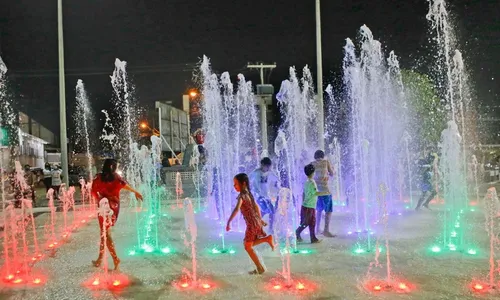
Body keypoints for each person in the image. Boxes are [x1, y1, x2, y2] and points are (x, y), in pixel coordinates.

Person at [91, 159, 143, 271]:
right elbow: (125, 186)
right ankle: (100, 259)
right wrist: (136, 192)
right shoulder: (116, 178)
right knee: (104, 233)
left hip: (103, 206)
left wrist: (99, 199)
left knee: (105, 233)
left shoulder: (98, 178)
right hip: (114, 206)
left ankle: (115, 258)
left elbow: (93, 191)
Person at [226, 173, 274, 275]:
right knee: (248, 244)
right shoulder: (249, 194)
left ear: (243, 184)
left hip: (252, 224)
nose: (234, 186)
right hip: (255, 222)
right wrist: (260, 220)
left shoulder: (242, 196)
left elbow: (237, 209)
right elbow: (256, 207)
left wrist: (229, 221)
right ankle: (266, 240)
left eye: (236, 184)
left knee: (247, 246)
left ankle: (260, 267)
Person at [296, 164, 329, 243]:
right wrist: (326, 192)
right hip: (309, 206)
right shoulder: (311, 182)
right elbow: (315, 193)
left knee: (312, 222)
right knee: (306, 222)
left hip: (308, 205)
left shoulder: (306, 182)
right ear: (313, 172)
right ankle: (297, 232)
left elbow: (303, 193)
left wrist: (303, 203)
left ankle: (313, 238)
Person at [250, 157, 280, 232]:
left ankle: (270, 228)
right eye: (267, 166)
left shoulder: (269, 172)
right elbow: (248, 179)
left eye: (269, 167)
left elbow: (277, 180)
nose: (268, 168)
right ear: (262, 165)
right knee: (267, 210)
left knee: (271, 211)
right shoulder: (256, 172)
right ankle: (255, 225)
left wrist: (279, 187)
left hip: (266, 196)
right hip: (258, 196)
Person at [311, 150, 336, 237]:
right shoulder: (326, 162)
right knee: (328, 211)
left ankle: (317, 229)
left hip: (316, 192)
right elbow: (332, 174)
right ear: (323, 156)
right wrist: (333, 170)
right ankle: (326, 230)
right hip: (325, 191)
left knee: (319, 210)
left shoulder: (312, 164)